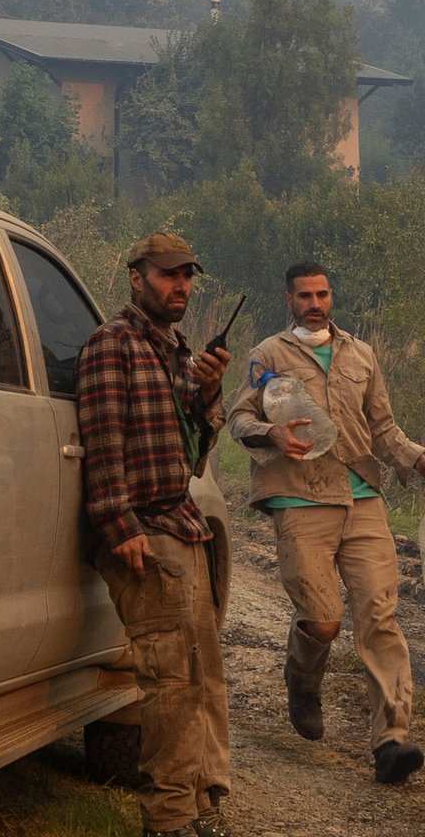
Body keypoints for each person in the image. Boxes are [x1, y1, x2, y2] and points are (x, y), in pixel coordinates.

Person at [227, 261, 425, 784]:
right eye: (304, 296)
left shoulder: (360, 354)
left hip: (363, 499)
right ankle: (303, 678)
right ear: (288, 300)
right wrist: (272, 436)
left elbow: (382, 427)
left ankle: (391, 742)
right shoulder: (268, 356)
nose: (315, 304)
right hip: (299, 497)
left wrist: (416, 458)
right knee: (323, 619)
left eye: (322, 294)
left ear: (331, 297)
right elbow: (238, 418)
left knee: (380, 617)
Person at [77, 232, 233, 837]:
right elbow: (102, 439)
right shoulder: (111, 345)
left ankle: (200, 805)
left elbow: (196, 447)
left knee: (203, 673)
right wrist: (120, 526)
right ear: (136, 277)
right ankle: (167, 820)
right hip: (144, 528)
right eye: (169, 276)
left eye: (188, 277)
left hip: (180, 522)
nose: (182, 288)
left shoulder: (172, 350)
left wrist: (209, 389)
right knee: (169, 680)